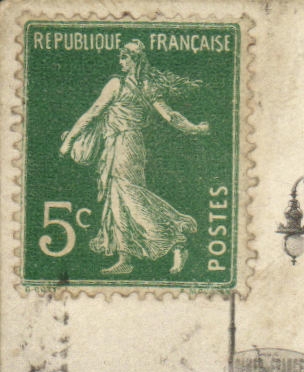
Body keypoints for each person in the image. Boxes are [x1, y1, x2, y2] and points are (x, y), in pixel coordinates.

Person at [58, 41, 209, 276]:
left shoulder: (118, 84)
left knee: (129, 196)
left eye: (125, 57)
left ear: (135, 59)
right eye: (121, 57)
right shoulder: (147, 86)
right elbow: (171, 117)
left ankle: (176, 239)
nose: (121, 62)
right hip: (125, 145)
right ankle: (125, 257)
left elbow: (93, 112)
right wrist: (195, 129)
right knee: (118, 199)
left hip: (124, 145)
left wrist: (69, 141)